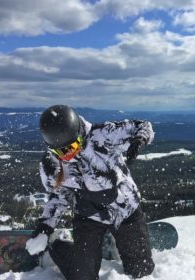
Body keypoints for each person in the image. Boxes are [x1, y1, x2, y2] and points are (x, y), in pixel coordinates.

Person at [28, 105, 155, 280]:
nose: (68, 155)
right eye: (61, 151)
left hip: (125, 210)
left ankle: (114, 242)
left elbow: (143, 126)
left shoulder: (102, 135)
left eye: (72, 146)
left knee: (141, 272)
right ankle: (57, 245)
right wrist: (46, 226)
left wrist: (139, 140)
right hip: (89, 217)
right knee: (83, 277)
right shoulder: (53, 164)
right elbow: (59, 196)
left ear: (79, 133)